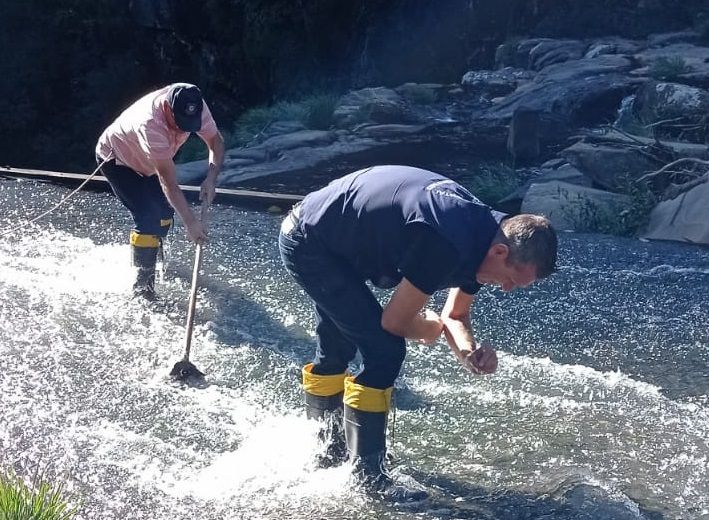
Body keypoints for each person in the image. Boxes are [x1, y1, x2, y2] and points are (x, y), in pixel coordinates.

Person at [278, 165, 557, 501]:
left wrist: (469, 352)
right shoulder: (447, 240)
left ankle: (332, 449)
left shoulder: (493, 235)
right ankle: (367, 478)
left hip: (339, 240)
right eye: (512, 280)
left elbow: (456, 314)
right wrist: (427, 326)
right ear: (500, 253)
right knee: (384, 351)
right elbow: (394, 324)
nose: (508, 289)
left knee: (339, 346)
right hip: (310, 241)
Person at [96, 83, 225, 299]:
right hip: (118, 160)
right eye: (180, 124)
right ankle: (143, 285)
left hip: (151, 162)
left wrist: (211, 178)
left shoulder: (194, 102)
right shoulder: (150, 123)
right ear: (167, 108)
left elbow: (215, 141)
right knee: (148, 217)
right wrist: (191, 223)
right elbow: (169, 183)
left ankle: (152, 255)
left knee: (165, 214)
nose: (183, 130)